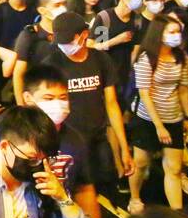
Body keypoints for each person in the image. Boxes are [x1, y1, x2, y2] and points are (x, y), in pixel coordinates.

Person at [49, 11, 134, 192]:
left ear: (84, 35)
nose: (64, 46)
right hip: (66, 141)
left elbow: (111, 104)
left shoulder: (101, 59)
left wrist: (124, 148)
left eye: (68, 41)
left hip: (97, 137)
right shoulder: (52, 64)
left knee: (102, 185)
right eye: (60, 43)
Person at [128, 14, 188, 213]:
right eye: (171, 32)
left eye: (178, 32)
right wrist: (159, 126)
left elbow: (182, 88)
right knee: (140, 162)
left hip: (173, 116)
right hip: (147, 118)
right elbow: (144, 93)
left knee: (174, 168)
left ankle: (177, 212)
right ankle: (135, 197)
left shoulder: (181, 56)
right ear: (159, 34)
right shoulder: (146, 57)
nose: (176, 36)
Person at [11, 0, 67, 98]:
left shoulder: (71, 31)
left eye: (64, 4)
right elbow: (18, 74)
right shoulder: (29, 35)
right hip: (39, 95)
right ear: (42, 10)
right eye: (57, 5)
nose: (63, 8)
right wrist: (22, 107)